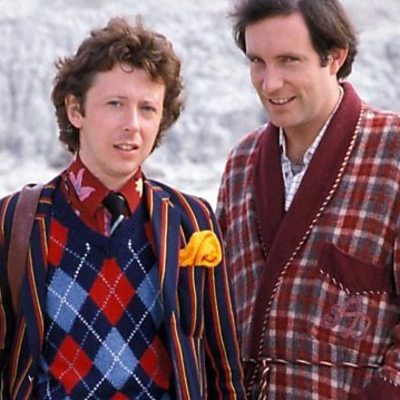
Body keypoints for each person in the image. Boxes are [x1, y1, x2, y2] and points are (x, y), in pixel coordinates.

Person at [0, 16, 245, 399]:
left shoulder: (191, 221)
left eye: (147, 108)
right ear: (75, 110)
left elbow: (223, 369)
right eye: (115, 104)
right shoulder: (18, 220)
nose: (132, 124)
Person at [216, 0, 400, 398]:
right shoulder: (241, 163)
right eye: (258, 62)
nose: (270, 84)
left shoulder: (392, 151)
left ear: (335, 57)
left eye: (289, 61)